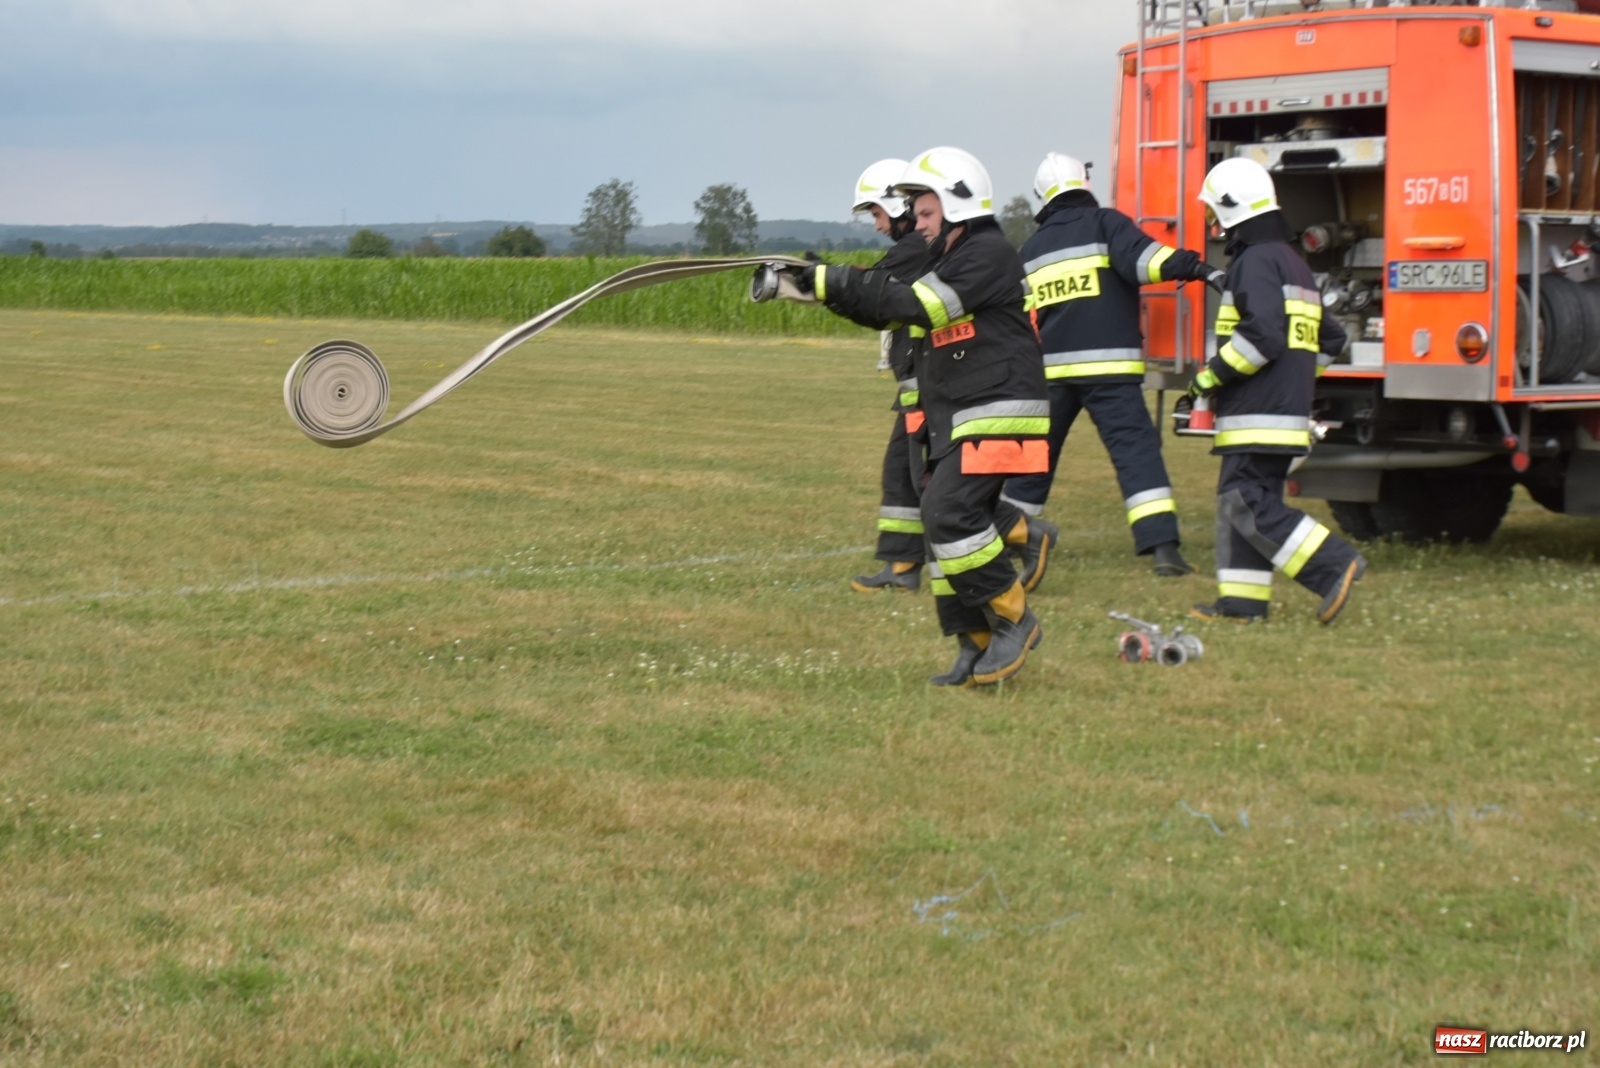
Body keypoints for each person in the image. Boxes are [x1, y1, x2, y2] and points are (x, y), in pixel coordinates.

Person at [765, 147, 1050, 686]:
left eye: (925, 214)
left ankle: (1014, 614)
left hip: (994, 408)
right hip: (960, 411)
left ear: (960, 204)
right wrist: (812, 287)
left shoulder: (985, 253)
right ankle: (976, 640)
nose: (915, 227)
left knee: (946, 512)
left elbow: (917, 306)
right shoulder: (946, 254)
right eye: (915, 217)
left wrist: (826, 282)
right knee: (940, 526)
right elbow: (883, 300)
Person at [1001, 152, 1222, 589]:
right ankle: (1164, 551)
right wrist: (1198, 267)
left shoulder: (1033, 247)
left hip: (1053, 374)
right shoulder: (1106, 222)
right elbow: (1148, 262)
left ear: (1044, 195)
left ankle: (1010, 539)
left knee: (1032, 458)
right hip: (1110, 369)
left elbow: (1019, 310)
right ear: (1082, 182)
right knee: (1134, 453)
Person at [1184, 156, 1366, 623]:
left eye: (1212, 211)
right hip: (1284, 410)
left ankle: (1332, 565)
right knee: (1245, 500)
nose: (1210, 221)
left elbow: (1262, 336)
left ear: (1229, 209)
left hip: (1255, 409)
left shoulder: (1255, 261)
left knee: (1243, 499)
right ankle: (1242, 606)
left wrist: (1211, 377)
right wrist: (1299, 379)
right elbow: (1331, 339)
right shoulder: (1292, 263)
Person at [846, 159, 936, 593]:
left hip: (934, 385)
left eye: (878, 214)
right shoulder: (914, 248)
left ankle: (1022, 534)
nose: (878, 226)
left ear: (897, 206)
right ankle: (902, 568)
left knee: (931, 478)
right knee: (903, 470)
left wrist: (817, 282)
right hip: (917, 384)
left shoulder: (918, 248)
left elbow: (872, 293)